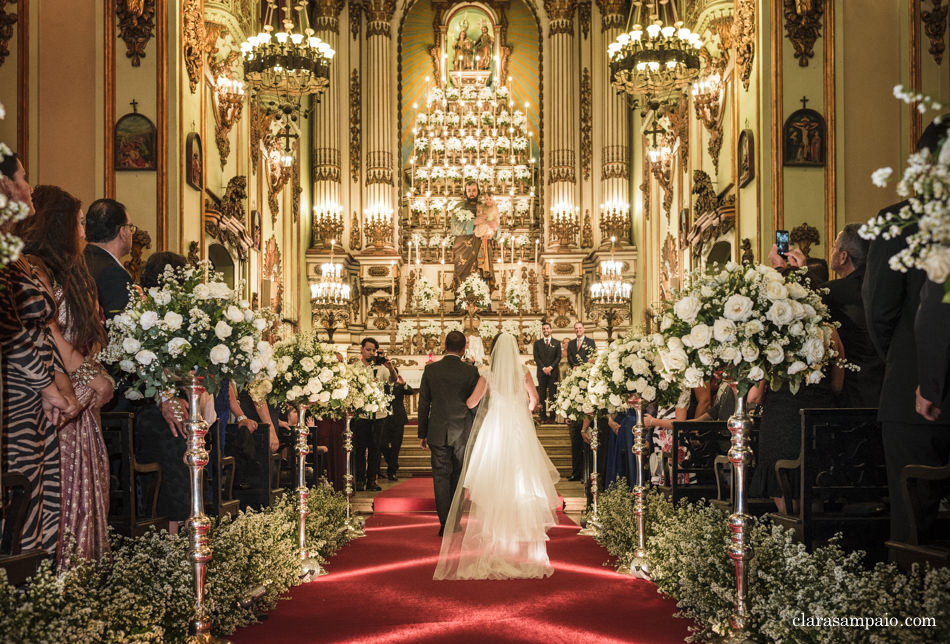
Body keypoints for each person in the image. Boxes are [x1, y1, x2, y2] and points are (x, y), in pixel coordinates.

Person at [864, 119, 950, 542]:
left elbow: (879, 308)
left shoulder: (899, 222)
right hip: (916, 386)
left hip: (912, 395)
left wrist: (901, 359)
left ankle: (914, 605)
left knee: (913, 528)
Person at [24, 185, 115, 566]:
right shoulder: (36, 271)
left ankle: (82, 580)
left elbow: (84, 340)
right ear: (59, 226)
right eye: (78, 223)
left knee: (90, 487)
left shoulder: (72, 274)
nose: (83, 232)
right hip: (60, 399)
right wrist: (93, 377)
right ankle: (60, 580)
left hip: (82, 402)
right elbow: (51, 334)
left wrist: (99, 374)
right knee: (63, 493)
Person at [0, 154, 80, 558]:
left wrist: (58, 390)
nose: (29, 187)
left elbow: (41, 332)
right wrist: (49, 387)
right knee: (17, 496)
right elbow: (10, 330)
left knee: (37, 495)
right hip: (15, 393)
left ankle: (34, 592)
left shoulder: (14, 252)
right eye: (24, 178)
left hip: (34, 397)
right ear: (4, 185)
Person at [434, 333, 560, 579]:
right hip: (518, 429)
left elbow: (471, 403)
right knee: (521, 478)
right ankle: (518, 534)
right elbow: (534, 399)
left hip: (495, 428)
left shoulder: (488, 374)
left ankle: (495, 533)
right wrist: (524, 411)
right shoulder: (523, 372)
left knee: (494, 479)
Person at [418, 330, 480, 536]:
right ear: (464, 349)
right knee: (459, 476)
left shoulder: (431, 370)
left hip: (437, 429)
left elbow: (424, 402)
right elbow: (475, 404)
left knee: (440, 476)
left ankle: (444, 522)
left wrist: (422, 433)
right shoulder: (471, 371)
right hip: (462, 430)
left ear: (444, 346)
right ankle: (454, 520)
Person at [823, 224, 884, 407]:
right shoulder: (882, 289)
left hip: (849, 389)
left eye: (834, 246)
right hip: (884, 387)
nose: (832, 250)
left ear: (843, 257)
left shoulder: (833, 292)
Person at [351, 338, 395, 492]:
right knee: (360, 448)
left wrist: (391, 368)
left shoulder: (381, 368)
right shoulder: (354, 368)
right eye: (368, 349)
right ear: (362, 350)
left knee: (375, 449)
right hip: (361, 415)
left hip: (378, 415)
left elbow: (392, 381)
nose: (371, 352)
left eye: (373, 350)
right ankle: (360, 480)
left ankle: (372, 480)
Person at [83, 198, 135, 319]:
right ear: (123, 231)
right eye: (131, 227)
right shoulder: (114, 274)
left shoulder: (78, 260)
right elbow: (122, 330)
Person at [451, 182, 494, 290]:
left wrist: (493, 231)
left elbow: (494, 222)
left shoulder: (485, 206)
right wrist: (473, 222)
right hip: (463, 248)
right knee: (462, 275)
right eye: (469, 190)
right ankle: (461, 299)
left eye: (474, 190)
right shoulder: (459, 207)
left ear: (478, 192)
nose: (471, 193)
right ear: (465, 192)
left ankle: (482, 300)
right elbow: (454, 227)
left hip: (481, 244)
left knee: (481, 274)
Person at [566, 322, 595, 481]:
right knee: (575, 444)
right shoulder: (571, 344)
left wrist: (583, 367)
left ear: (583, 329)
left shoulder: (590, 342)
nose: (578, 330)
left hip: (588, 414)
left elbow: (591, 356)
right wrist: (575, 367)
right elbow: (570, 357)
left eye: (580, 328)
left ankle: (588, 473)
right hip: (576, 414)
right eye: (576, 328)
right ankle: (576, 472)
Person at [382, 366, 413, 481]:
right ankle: (393, 464)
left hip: (398, 420)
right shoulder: (382, 385)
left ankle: (392, 471)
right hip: (384, 419)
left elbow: (410, 391)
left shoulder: (400, 385)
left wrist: (404, 383)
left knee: (396, 446)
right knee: (383, 445)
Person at [532, 322, 560, 422]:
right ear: (542, 330)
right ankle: (542, 416)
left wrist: (550, 367)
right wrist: (544, 368)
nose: (545, 330)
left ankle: (552, 416)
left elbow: (558, 357)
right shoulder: (537, 343)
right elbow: (536, 357)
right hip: (541, 373)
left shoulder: (557, 343)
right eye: (544, 329)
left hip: (553, 373)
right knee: (542, 395)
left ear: (551, 330)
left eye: (547, 328)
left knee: (553, 394)